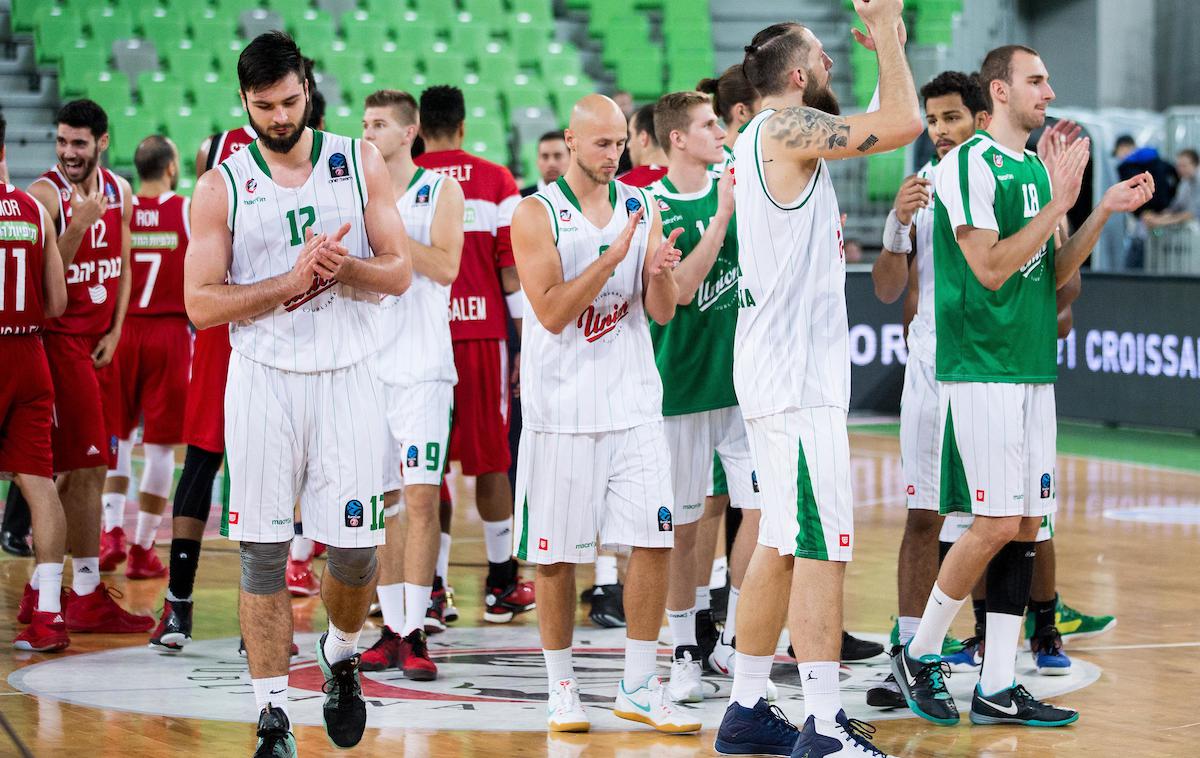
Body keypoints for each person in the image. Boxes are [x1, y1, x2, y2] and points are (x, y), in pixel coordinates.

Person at [891, 43, 1153, 729]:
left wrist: (1098, 214)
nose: (1050, 90)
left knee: (1027, 523)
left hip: (1032, 362)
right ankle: (919, 651)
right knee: (996, 521)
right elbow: (988, 268)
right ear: (999, 91)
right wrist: (1058, 202)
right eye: (1037, 79)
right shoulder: (965, 165)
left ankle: (999, 683)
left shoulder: (1035, 169)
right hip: (980, 364)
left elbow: (1052, 271)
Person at [184, 31, 411, 756]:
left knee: (354, 554)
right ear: (244, 102)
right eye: (264, 105)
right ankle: (271, 715)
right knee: (259, 553)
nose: (279, 116)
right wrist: (294, 280)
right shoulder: (221, 183)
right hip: (263, 382)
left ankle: (340, 655)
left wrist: (342, 270)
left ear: (307, 89)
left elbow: (400, 271)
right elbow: (200, 303)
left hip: (348, 376)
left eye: (289, 101)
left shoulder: (356, 159)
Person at [713, 4, 924, 755]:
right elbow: (900, 122)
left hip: (780, 374)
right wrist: (893, 32)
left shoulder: (772, 136)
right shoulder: (783, 129)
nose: (835, 66)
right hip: (795, 381)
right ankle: (826, 724)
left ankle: (743, 709)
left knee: (778, 537)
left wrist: (883, 52)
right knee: (823, 545)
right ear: (797, 76)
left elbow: (873, 117)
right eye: (825, 59)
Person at [511, 92, 696, 734]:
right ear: (570, 141)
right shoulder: (535, 214)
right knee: (557, 557)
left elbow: (663, 311)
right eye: (600, 143)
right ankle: (562, 687)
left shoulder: (641, 205)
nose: (613, 154)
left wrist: (661, 272)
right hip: (561, 411)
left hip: (635, 403)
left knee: (653, 541)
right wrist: (611, 259)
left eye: (620, 142)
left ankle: (639, 684)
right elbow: (555, 311)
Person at [24, 100, 152, 636]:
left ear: (102, 141)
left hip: (101, 347)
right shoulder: (45, 196)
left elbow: (122, 265)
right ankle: (78, 593)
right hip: (59, 344)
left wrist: (119, 329)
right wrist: (75, 228)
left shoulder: (120, 191)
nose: (68, 153)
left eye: (79, 143)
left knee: (85, 471)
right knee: (83, 470)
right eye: (61, 142)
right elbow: (37, 279)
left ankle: (48, 592)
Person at [643, 91, 754, 705]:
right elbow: (681, 291)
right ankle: (684, 646)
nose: (721, 130)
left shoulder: (738, 185)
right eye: (709, 124)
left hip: (743, 387)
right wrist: (720, 220)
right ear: (677, 138)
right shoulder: (651, 205)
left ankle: (735, 638)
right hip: (678, 387)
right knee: (683, 530)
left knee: (764, 514)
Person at [414, 85, 535, 625]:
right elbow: (511, 269)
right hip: (483, 335)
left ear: (420, 128)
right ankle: (501, 583)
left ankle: (433, 587)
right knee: (492, 459)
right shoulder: (495, 179)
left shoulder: (407, 179)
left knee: (426, 463)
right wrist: (523, 338)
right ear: (462, 127)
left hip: (421, 338)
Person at [357, 89, 464, 679]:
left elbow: (447, 266)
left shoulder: (441, 190)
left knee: (422, 498)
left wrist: (393, 233)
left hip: (422, 367)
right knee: (383, 505)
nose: (368, 132)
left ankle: (414, 628)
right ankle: (389, 626)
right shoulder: (354, 193)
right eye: (365, 123)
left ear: (409, 132)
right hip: (369, 366)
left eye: (379, 124)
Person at [97, 136, 190, 582]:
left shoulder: (122, 212)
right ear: (171, 167)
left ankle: (111, 530)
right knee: (159, 450)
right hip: (169, 335)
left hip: (123, 330)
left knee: (117, 439)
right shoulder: (187, 210)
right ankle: (142, 547)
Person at [3, 113, 72, 652]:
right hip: (29, 351)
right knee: (40, 483)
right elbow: (57, 302)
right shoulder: (32, 209)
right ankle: (50, 612)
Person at [1144, 148, 1199, 229]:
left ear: (1196, 164)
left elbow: (1193, 213)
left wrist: (1161, 221)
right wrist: (1157, 216)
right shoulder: (1184, 183)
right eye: (1179, 166)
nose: (1180, 169)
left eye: (1184, 166)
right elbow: (1175, 207)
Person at [619, 103, 668, 187]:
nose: (628, 145)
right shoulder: (691, 184)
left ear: (643, 138)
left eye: (631, 135)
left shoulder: (618, 188)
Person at [521, 130, 569, 197]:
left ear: (571, 159)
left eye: (558, 156)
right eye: (545, 157)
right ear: (537, 161)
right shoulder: (521, 198)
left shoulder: (584, 197)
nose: (551, 163)